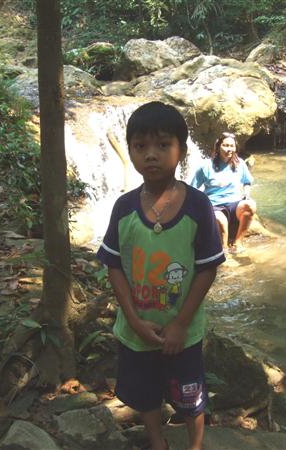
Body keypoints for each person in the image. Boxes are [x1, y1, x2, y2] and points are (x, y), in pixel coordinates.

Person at [97, 101, 225, 450]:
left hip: (182, 332)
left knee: (190, 396)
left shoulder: (198, 206)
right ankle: (158, 442)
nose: (151, 155)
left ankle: (194, 446)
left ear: (182, 150)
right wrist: (134, 320)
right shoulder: (124, 207)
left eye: (163, 145)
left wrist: (180, 323)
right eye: (140, 146)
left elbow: (207, 268)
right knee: (146, 394)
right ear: (130, 151)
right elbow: (114, 266)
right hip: (137, 332)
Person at [190, 132, 256, 254]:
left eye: (232, 146)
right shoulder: (206, 166)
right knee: (220, 219)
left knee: (250, 205)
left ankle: (238, 243)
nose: (229, 149)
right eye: (225, 145)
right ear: (218, 147)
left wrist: (247, 193)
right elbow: (192, 189)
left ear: (235, 148)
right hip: (215, 205)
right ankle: (223, 249)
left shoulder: (240, 164)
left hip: (235, 203)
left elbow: (247, 182)